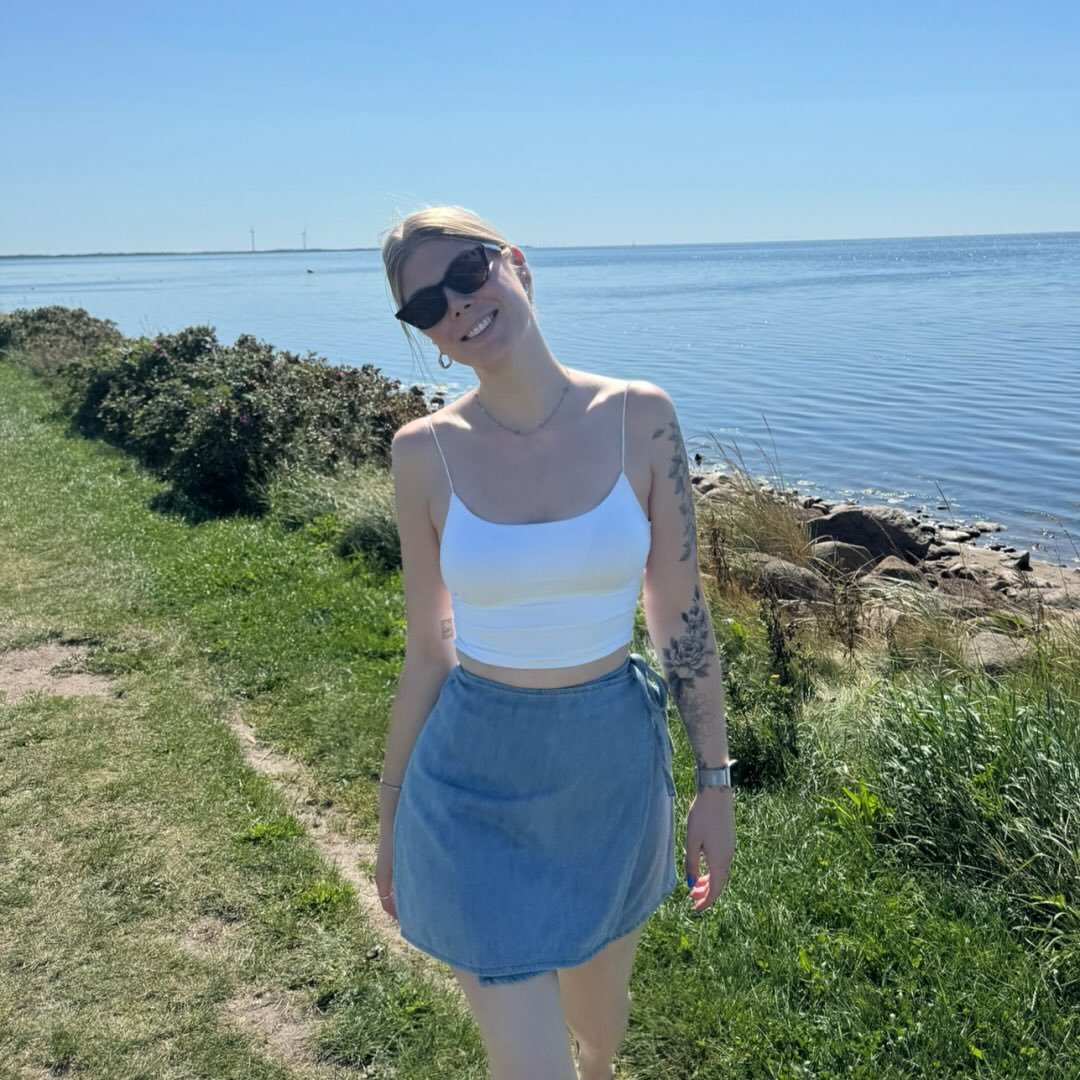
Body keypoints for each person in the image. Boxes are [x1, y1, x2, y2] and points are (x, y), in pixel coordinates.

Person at [375, 206, 736, 1080]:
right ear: (423, 332)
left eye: (468, 273)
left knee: (598, 1034)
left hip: (610, 773)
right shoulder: (422, 454)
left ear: (516, 264)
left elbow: (680, 617)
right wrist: (389, 815)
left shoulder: (641, 417)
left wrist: (714, 784)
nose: (458, 305)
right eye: (427, 304)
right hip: (469, 784)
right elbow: (430, 648)